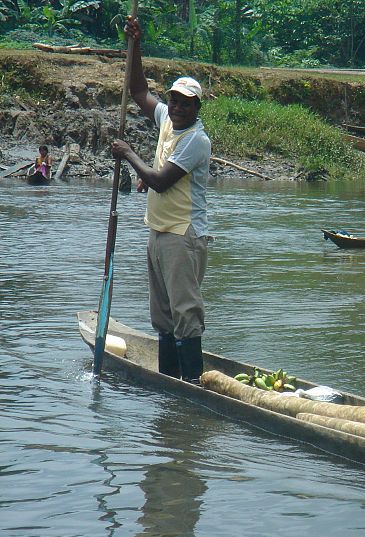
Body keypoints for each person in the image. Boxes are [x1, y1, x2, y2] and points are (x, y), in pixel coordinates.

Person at [110, 16, 212, 384]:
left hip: (183, 234)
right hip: (158, 230)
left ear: (197, 107)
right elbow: (138, 91)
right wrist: (135, 45)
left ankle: (193, 384)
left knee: (185, 312)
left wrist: (129, 154)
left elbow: (161, 181)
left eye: (187, 103)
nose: (179, 107)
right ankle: (170, 381)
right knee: (163, 315)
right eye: (175, 100)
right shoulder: (168, 120)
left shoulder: (196, 140)